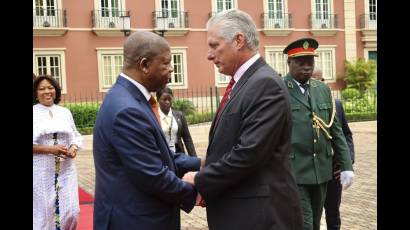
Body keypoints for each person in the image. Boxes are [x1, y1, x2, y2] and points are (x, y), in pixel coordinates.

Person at [182, 9, 303, 230]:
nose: (209, 55)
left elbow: (249, 153)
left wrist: (200, 179)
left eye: (214, 45)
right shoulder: (246, 82)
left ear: (239, 41)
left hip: (261, 217)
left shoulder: (265, 84)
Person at [92, 31, 202, 230]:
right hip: (135, 221)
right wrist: (198, 192)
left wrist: (201, 163)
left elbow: (161, 155)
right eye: (166, 63)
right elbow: (153, 175)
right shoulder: (128, 110)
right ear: (144, 65)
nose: (172, 68)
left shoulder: (131, 98)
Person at [282, 38, 354, 230]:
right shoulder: (279, 89)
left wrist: (346, 165)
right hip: (294, 171)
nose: (307, 68)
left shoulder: (322, 89)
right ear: (289, 62)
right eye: (301, 63)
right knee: (304, 223)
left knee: (314, 222)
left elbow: (335, 130)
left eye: (310, 63)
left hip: (321, 171)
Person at [33, 75, 82, 230]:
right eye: (41, 89)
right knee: (44, 214)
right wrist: (50, 149)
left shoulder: (64, 112)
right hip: (41, 172)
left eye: (50, 87)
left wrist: (73, 148)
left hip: (67, 170)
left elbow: (75, 136)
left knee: (71, 212)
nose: (47, 91)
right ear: (35, 93)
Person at [312, 68, 355, 230]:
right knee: (311, 216)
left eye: (322, 80)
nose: (320, 83)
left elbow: (346, 136)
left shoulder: (336, 104)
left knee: (333, 215)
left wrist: (347, 162)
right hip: (311, 172)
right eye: (315, 80)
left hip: (333, 172)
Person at [156, 86, 197, 156]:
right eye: (164, 99)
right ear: (158, 100)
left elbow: (187, 138)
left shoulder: (179, 115)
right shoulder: (154, 116)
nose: (167, 102)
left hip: (178, 152)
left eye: (169, 99)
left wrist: (194, 158)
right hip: (162, 153)